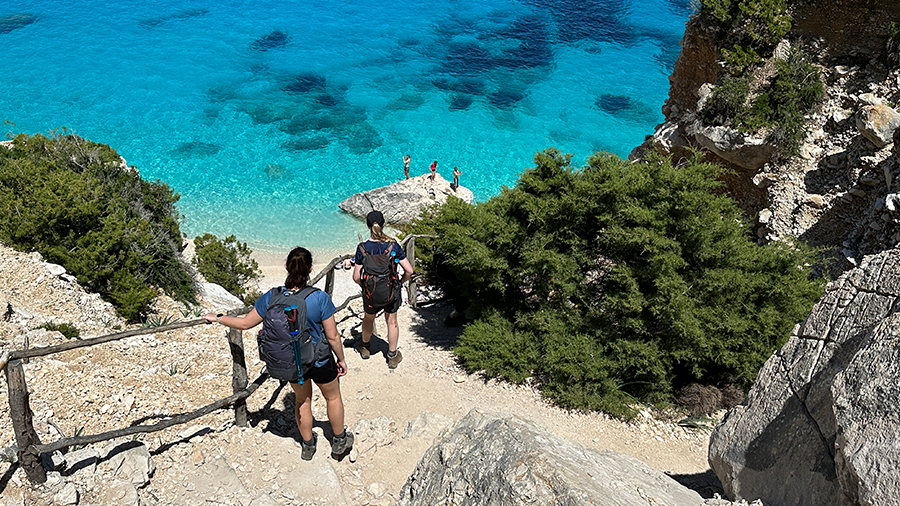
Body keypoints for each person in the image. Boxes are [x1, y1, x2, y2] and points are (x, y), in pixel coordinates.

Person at [204, 247, 352, 460]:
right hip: (320, 360)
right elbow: (333, 336)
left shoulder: (272, 297)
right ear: (310, 268)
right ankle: (339, 442)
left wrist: (218, 317)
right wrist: (341, 359)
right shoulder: (318, 298)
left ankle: (307, 446)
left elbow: (245, 323)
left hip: (294, 362)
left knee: (302, 401)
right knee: (333, 397)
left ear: (286, 266)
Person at [352, 210, 413, 369]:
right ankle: (392, 356)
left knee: (368, 318)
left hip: (370, 293)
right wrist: (400, 282)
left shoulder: (362, 248)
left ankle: (365, 347)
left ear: (367, 225)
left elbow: (356, 276)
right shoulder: (392, 245)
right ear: (384, 224)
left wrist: (365, 287)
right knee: (391, 322)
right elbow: (409, 271)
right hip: (391, 292)